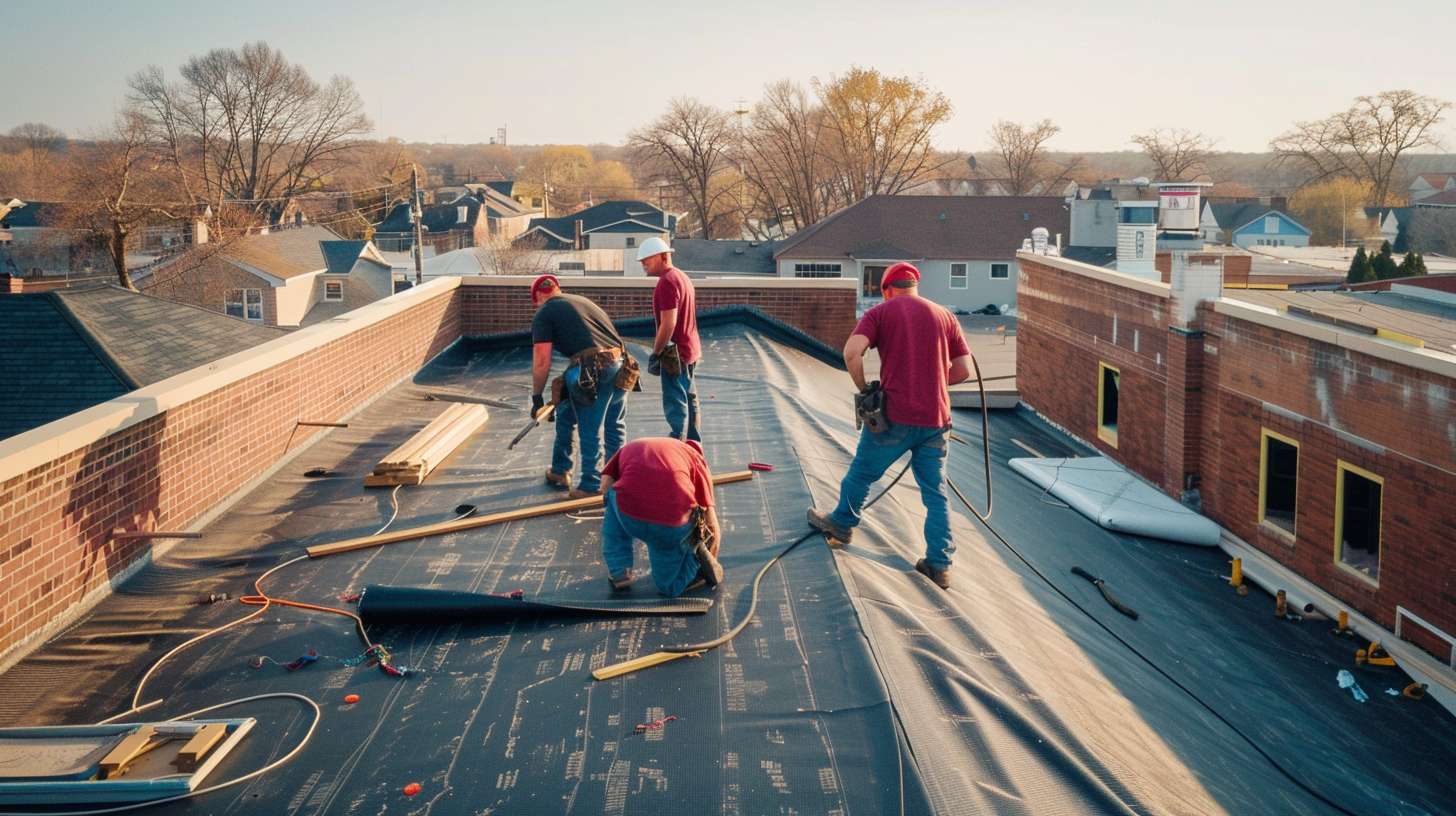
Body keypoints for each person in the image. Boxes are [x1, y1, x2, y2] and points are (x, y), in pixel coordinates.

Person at [806, 262, 973, 590]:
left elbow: (852, 353)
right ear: (915, 285)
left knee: (862, 473)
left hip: (894, 418)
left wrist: (864, 388)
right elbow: (964, 370)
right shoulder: (945, 315)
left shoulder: (881, 313)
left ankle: (841, 523)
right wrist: (932, 385)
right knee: (935, 491)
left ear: (886, 289)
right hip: (936, 421)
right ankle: (939, 565)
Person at [529, 274, 638, 499]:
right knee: (603, 422)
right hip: (622, 365)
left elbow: (541, 360)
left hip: (593, 370)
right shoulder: (582, 302)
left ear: (538, 296)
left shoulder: (545, 312)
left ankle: (591, 485)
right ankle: (565, 471)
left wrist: (537, 397)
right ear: (558, 289)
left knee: (590, 428)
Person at [600, 437, 723, 596]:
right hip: (670, 525)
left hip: (629, 516)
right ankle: (694, 561)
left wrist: (620, 511)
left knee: (612, 496)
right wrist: (711, 555)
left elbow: (605, 485)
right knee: (668, 584)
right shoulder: (697, 461)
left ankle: (619, 573)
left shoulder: (633, 446)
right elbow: (711, 519)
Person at [638, 237, 702, 442]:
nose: (643, 263)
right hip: (690, 349)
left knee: (676, 402)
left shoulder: (666, 282)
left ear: (663, 256)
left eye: (647, 259)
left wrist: (656, 352)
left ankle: (678, 444)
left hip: (676, 354)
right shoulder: (682, 277)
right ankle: (693, 446)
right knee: (690, 399)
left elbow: (668, 323)